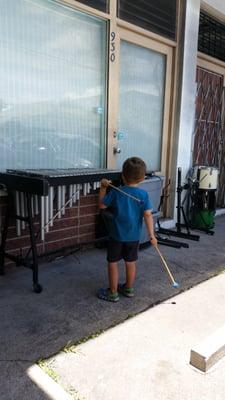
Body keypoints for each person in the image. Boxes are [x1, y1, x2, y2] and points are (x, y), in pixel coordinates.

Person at [97, 156, 157, 302]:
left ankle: (113, 293)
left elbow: (101, 206)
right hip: (133, 237)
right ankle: (129, 289)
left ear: (123, 176)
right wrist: (151, 235)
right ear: (143, 178)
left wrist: (103, 188)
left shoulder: (116, 192)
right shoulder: (143, 195)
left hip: (116, 236)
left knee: (113, 262)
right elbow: (148, 215)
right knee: (130, 262)